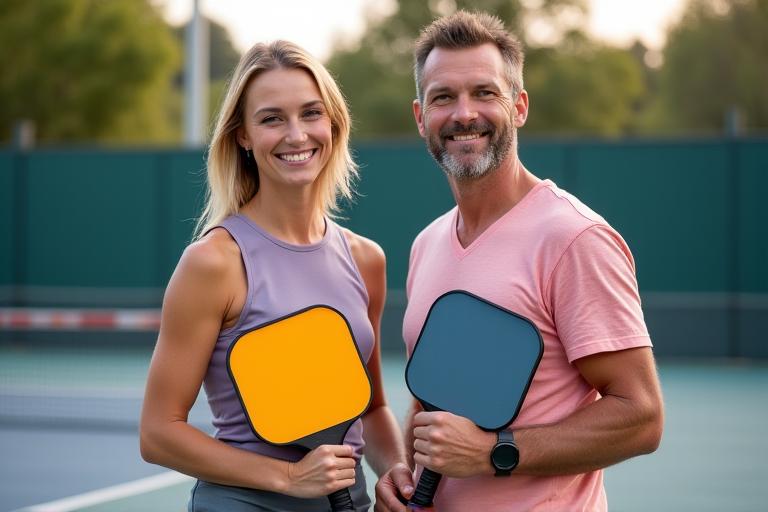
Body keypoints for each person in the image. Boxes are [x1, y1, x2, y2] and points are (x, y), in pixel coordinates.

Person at [375, 11, 664, 512]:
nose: (464, 113)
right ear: (421, 117)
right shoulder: (427, 244)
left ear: (519, 106)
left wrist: (495, 453)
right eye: (444, 97)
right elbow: (434, 400)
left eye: (485, 92)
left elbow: (641, 417)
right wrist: (403, 474)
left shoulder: (575, 238)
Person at [140, 40, 406, 511]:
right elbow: (159, 433)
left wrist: (395, 472)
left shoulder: (367, 259)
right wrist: (287, 477)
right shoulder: (214, 263)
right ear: (243, 135)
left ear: (333, 123)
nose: (297, 134)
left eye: (310, 113)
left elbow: (371, 407)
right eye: (271, 118)